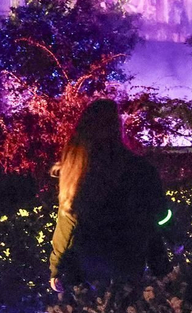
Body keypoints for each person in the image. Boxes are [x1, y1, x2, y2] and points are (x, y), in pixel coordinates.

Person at [50, 98, 169, 292]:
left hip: (86, 263)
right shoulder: (141, 169)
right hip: (130, 259)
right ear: (117, 127)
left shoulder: (76, 169)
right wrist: (171, 243)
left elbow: (67, 220)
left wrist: (56, 268)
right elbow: (159, 215)